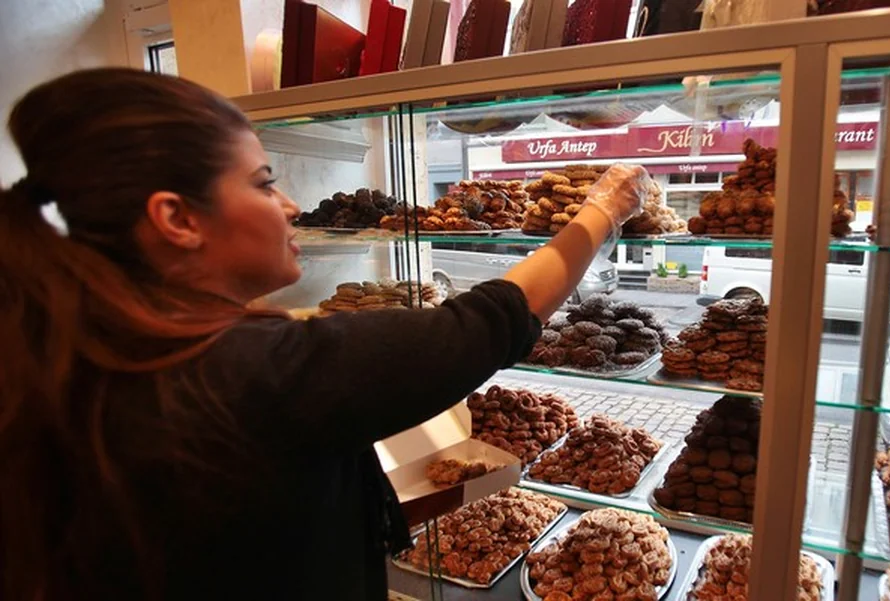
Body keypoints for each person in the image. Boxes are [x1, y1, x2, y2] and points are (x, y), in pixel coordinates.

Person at [0, 68, 651, 601]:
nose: (289, 205)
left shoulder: (71, 347)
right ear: (176, 219)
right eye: (263, 183)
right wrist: (603, 209)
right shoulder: (254, 376)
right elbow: (489, 322)